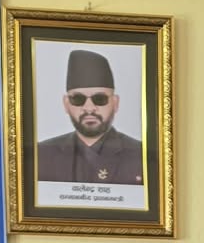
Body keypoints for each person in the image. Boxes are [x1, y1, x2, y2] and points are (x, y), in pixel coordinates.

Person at [35, 48, 143, 185]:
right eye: (78, 99)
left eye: (100, 99)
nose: (89, 108)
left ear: (115, 103)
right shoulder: (41, 155)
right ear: (66, 104)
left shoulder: (140, 155)